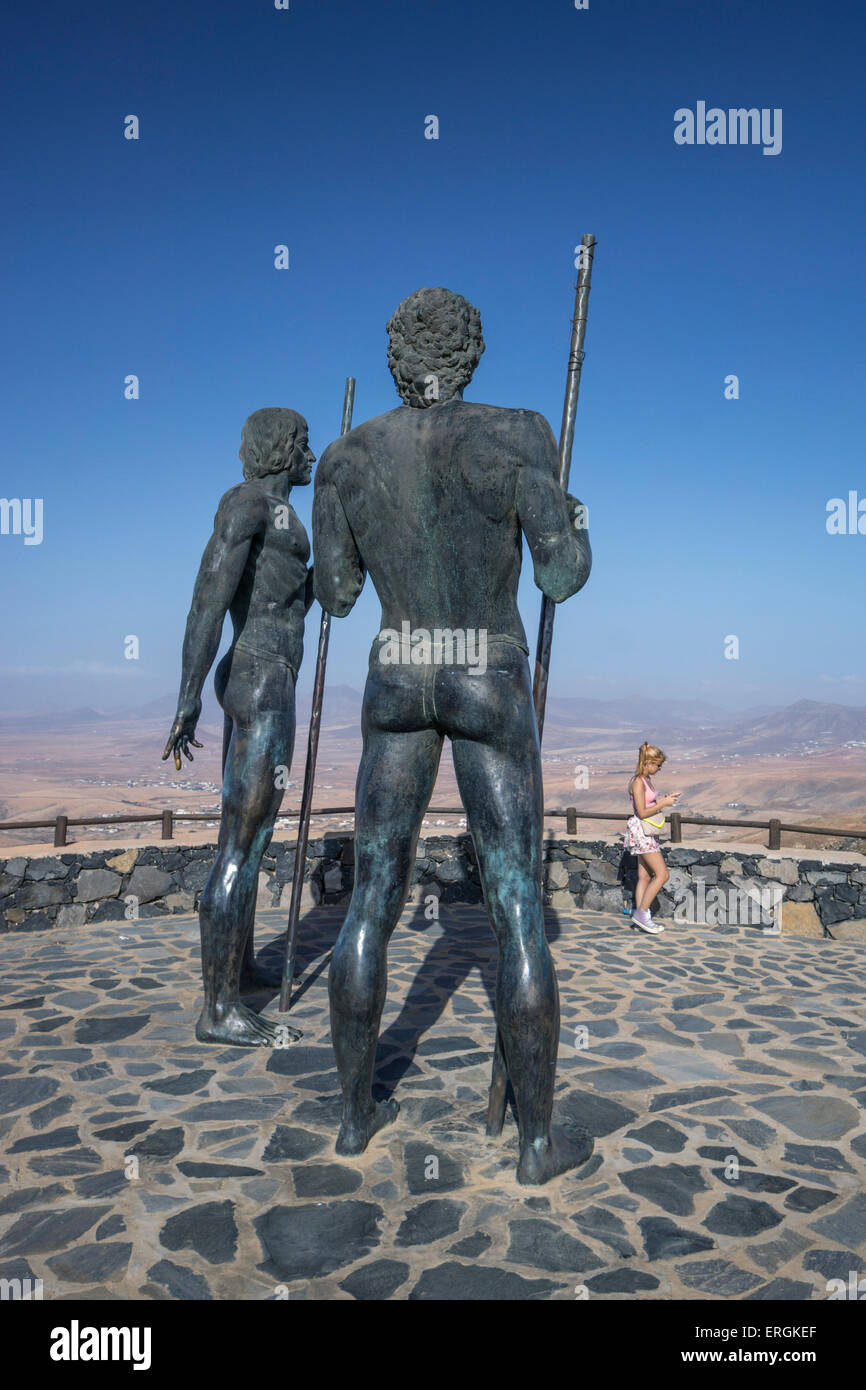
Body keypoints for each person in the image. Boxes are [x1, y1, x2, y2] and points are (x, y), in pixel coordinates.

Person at [313, 286, 593, 1184]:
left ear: (399, 359)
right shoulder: (518, 433)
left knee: (369, 904)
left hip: (398, 667)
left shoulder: (347, 457)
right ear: (471, 354)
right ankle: (536, 1143)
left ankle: (356, 1116)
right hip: (485, 668)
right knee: (517, 913)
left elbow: (336, 593)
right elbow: (562, 574)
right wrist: (571, 514)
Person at [162, 408, 316, 1045]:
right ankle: (219, 1009)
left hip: (260, 673)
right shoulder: (245, 504)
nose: (312, 454)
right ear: (282, 449)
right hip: (258, 677)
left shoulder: (283, 519)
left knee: (244, 837)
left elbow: (296, 600)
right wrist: (187, 696)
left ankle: (240, 966)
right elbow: (208, 597)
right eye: (304, 444)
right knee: (242, 845)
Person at [625, 741, 680, 934]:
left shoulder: (646, 780)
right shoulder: (638, 782)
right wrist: (663, 803)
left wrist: (663, 798)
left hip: (646, 833)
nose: (659, 768)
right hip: (643, 833)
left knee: (644, 876)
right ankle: (642, 913)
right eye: (657, 764)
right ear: (648, 762)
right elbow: (641, 811)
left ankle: (640, 917)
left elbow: (648, 804)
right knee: (663, 874)